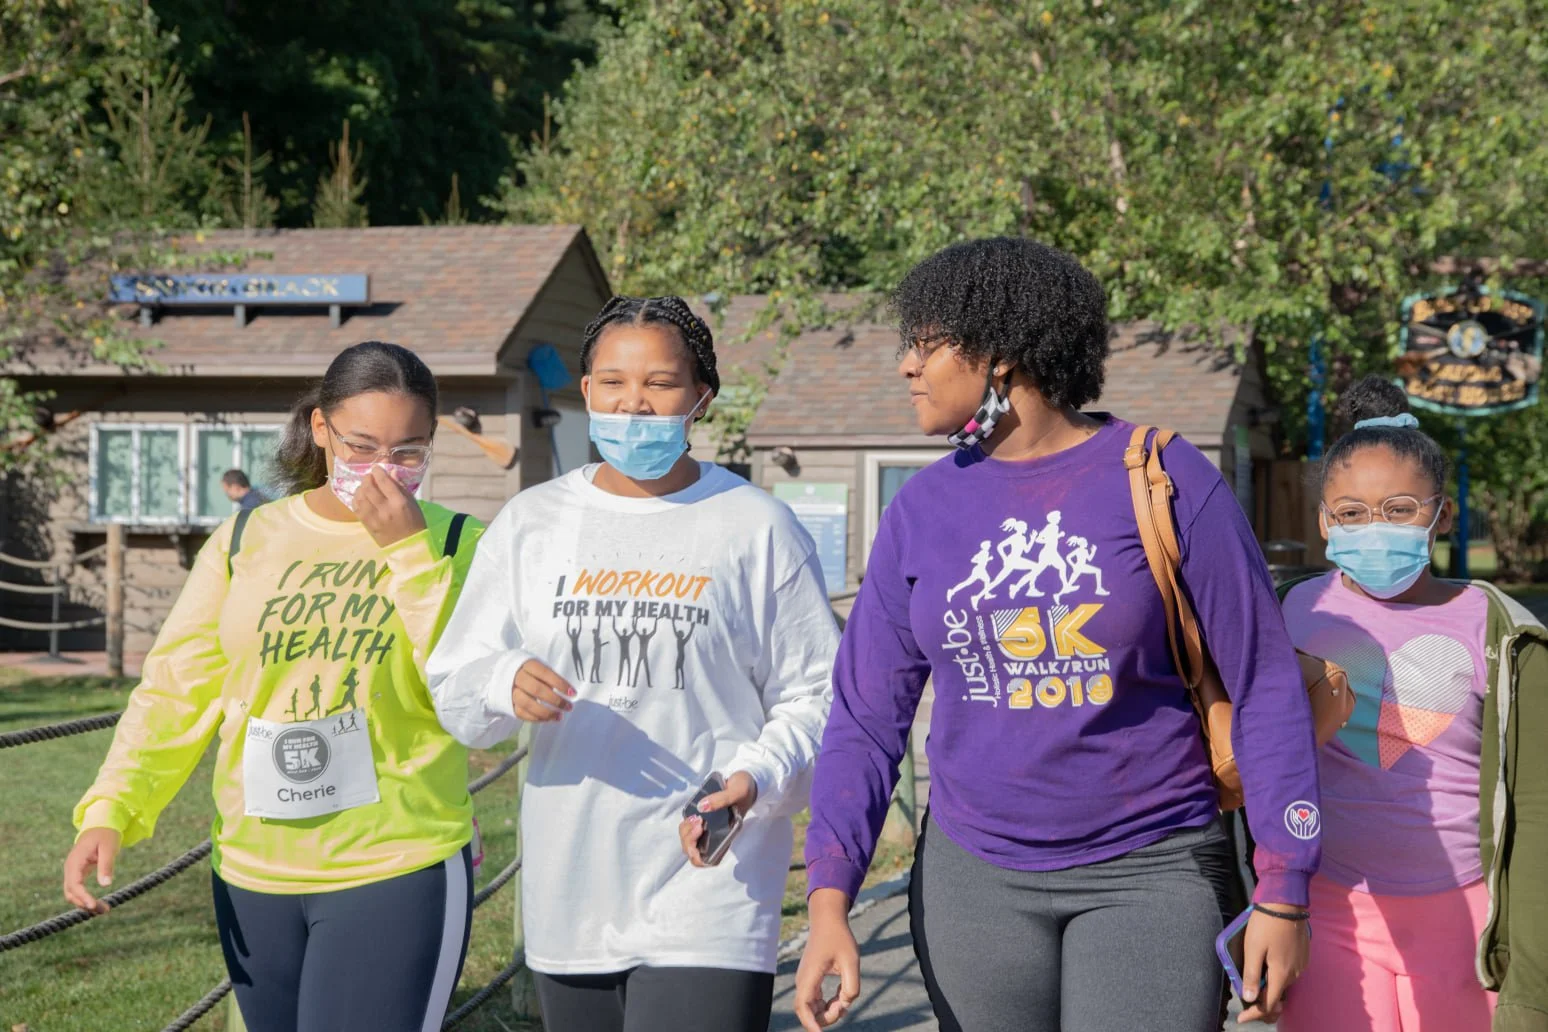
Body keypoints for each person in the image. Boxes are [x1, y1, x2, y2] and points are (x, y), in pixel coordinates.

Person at [795, 237, 1321, 1032]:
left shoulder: (1167, 479)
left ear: (1001, 356)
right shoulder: (921, 511)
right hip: (973, 883)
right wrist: (830, 901)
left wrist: (1284, 888)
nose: (906, 365)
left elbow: (1265, 684)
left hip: (1152, 870)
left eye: (926, 343)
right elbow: (867, 721)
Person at [426, 295, 837, 1032]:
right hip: (571, 886)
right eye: (612, 383)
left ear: (700, 398)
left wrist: (755, 779)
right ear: (586, 392)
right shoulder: (531, 524)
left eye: (660, 384)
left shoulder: (757, 528)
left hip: (713, 879)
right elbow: (456, 686)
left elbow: (820, 694)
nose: (634, 404)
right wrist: (499, 680)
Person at [63, 342, 486, 1032]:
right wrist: (112, 806)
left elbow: (469, 695)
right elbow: (176, 689)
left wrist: (409, 552)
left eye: (408, 452)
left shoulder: (461, 543)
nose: (384, 470)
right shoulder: (243, 539)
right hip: (253, 872)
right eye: (361, 446)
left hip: (393, 862)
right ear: (320, 430)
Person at [1277, 377, 1548, 1032]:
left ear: (1441, 515)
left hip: (1467, 923)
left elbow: (1535, 803)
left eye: (1399, 510)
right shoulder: (1292, 612)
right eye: (1351, 513)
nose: (1374, 530)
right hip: (1329, 914)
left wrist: (1532, 982)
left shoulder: (1498, 626)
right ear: (1323, 521)